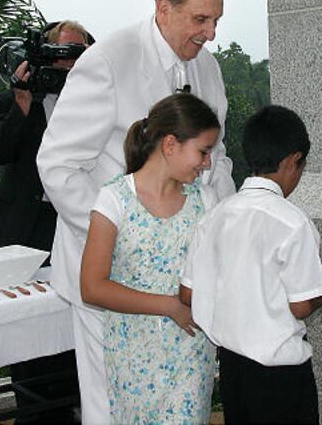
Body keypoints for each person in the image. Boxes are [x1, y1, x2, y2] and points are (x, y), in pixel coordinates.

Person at [37, 0, 234, 424]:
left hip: (182, 272)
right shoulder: (108, 60)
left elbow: (217, 160)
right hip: (111, 272)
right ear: (164, 9)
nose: (210, 34)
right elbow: (58, 165)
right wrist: (122, 234)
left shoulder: (209, 68)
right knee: (112, 406)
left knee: (181, 397)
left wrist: (226, 230)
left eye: (216, 21)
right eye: (200, 19)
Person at [181, 105, 322, 424]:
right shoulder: (292, 223)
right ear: (294, 160)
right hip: (282, 377)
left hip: (233, 370)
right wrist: (320, 297)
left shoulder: (215, 216)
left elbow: (188, 294)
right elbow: (302, 305)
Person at [79, 94, 220, 424]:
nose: (208, 164)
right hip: (132, 355)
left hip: (191, 353)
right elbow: (92, 287)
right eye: (203, 151)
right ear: (170, 144)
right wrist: (169, 305)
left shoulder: (207, 200)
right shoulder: (114, 199)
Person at [0, 20, 90, 423]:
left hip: (73, 224)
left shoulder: (92, 100)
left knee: (71, 321)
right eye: (61, 52)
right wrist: (22, 102)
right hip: (24, 229)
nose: (68, 61)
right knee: (26, 327)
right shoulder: (15, 98)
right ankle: (33, 412)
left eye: (78, 52)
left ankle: (72, 406)